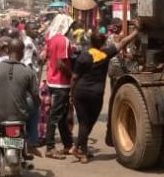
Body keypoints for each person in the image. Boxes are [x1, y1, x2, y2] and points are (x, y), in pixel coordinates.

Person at [70, 27, 140, 163]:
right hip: (96, 95)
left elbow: (74, 77)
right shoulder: (105, 54)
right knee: (89, 122)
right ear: (102, 43)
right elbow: (123, 43)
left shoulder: (83, 56)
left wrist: (71, 94)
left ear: (91, 42)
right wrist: (136, 32)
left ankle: (79, 147)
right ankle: (82, 151)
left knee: (84, 123)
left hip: (80, 93)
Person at [0, 38, 39, 157]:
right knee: (35, 107)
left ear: (8, 51)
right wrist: (37, 104)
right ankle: (31, 142)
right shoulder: (28, 71)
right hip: (20, 115)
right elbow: (36, 98)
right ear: (21, 53)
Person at [42, 13, 75, 159]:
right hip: (61, 82)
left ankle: (68, 144)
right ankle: (50, 147)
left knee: (61, 114)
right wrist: (72, 75)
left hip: (51, 79)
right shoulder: (63, 41)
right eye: (70, 27)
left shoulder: (50, 37)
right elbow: (62, 63)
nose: (71, 30)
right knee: (55, 116)